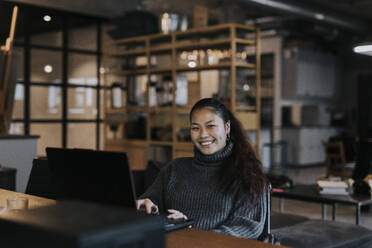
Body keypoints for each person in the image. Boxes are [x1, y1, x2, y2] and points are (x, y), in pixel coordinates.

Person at [136, 98, 267, 239]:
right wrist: (147, 206)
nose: (203, 135)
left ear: (227, 127)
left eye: (210, 126)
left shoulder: (247, 175)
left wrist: (191, 232)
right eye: (195, 128)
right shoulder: (174, 168)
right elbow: (151, 202)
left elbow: (246, 228)